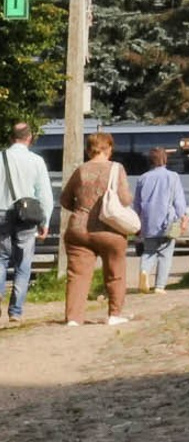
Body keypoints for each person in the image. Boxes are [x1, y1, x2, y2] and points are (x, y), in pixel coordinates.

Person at [57, 130, 136, 329]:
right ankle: (114, 314)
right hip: (109, 230)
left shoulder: (81, 171)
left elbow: (65, 200)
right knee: (115, 271)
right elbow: (125, 200)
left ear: (88, 149)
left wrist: (82, 209)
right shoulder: (116, 169)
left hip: (78, 230)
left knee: (77, 274)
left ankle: (74, 318)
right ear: (109, 148)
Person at [1, 119, 53, 326]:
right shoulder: (36, 161)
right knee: (23, 263)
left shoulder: (0, 158)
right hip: (27, 217)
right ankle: (15, 311)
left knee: (0, 259)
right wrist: (45, 221)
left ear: (11, 138)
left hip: (1, 213)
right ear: (29, 138)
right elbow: (45, 194)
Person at [131, 145, 189, 295]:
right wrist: (183, 218)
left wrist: (137, 220)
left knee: (149, 251)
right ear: (165, 159)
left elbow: (137, 203)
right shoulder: (173, 177)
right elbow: (178, 201)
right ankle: (160, 286)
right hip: (167, 221)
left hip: (148, 222)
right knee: (165, 254)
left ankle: (144, 271)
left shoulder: (142, 178)